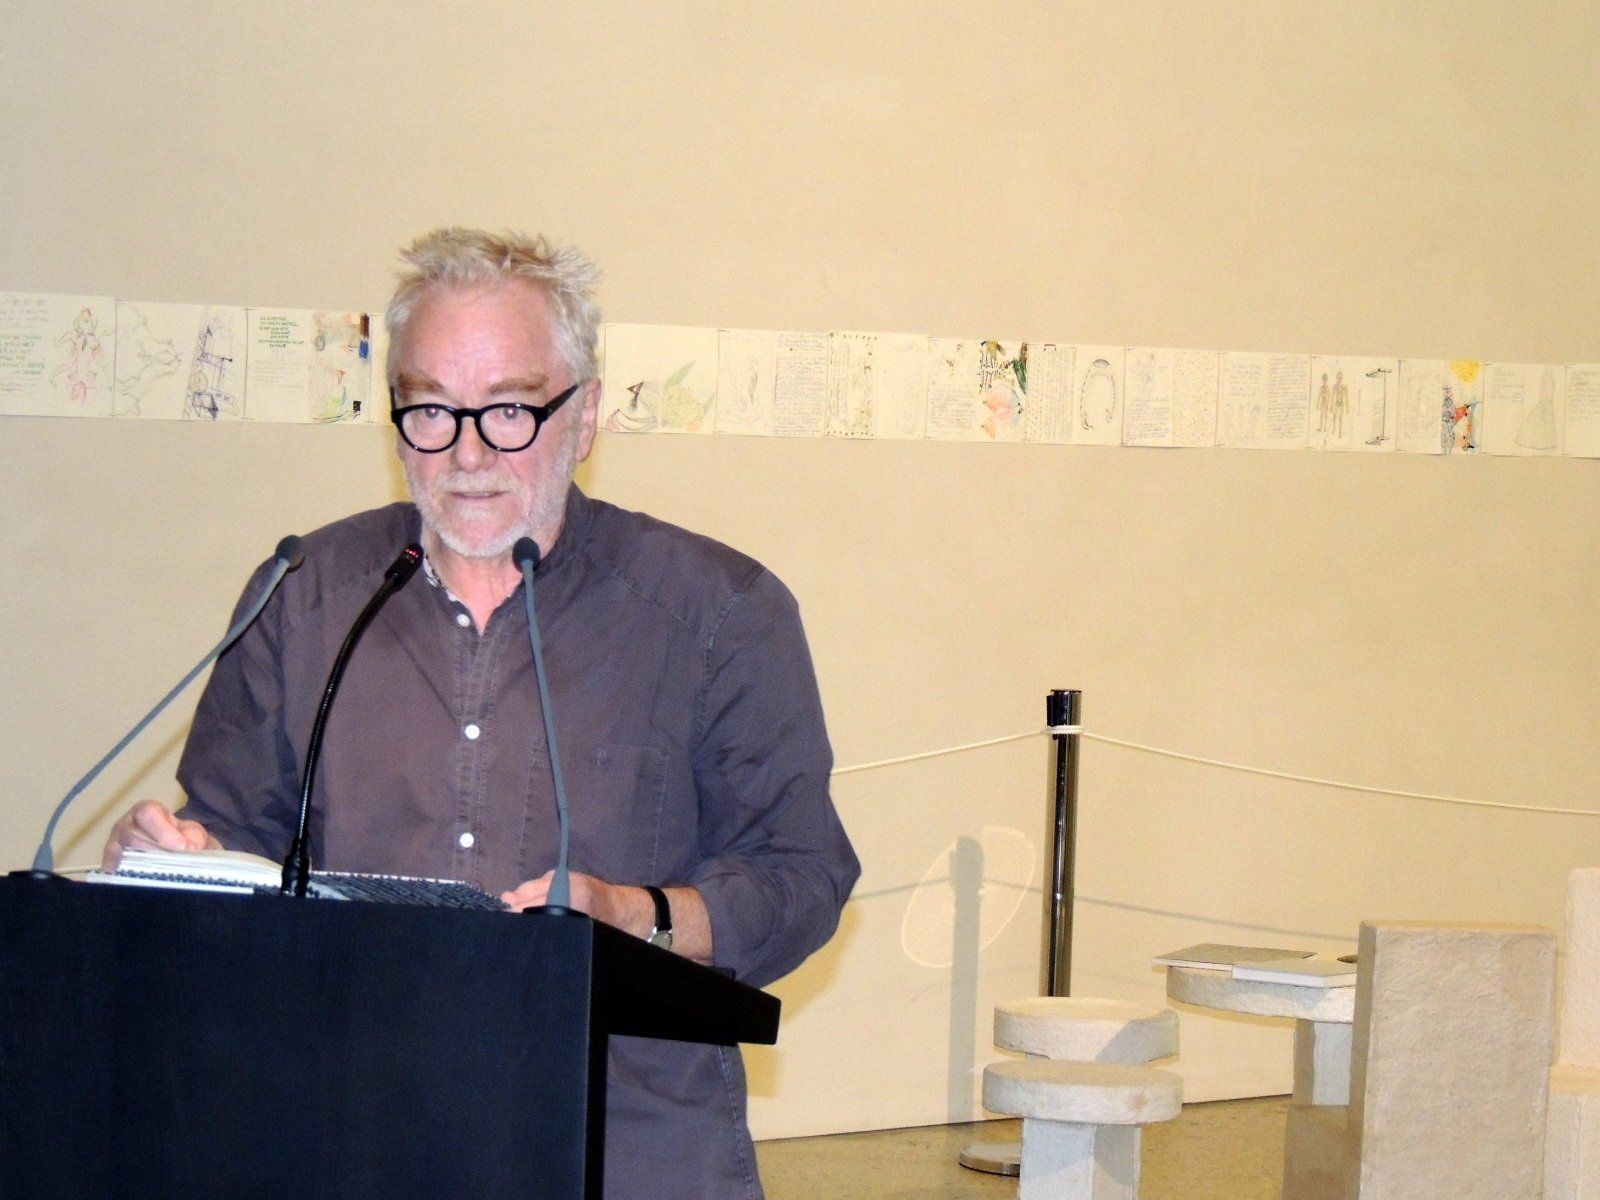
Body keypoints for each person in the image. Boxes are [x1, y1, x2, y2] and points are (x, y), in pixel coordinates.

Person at [101, 227, 861, 1200]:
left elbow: (800, 875)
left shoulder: (718, 611)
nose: (466, 453)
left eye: (508, 409)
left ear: (585, 416)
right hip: (356, 1126)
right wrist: (180, 861)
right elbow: (237, 830)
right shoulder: (305, 592)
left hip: (627, 1141)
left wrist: (630, 914)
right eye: (430, 409)